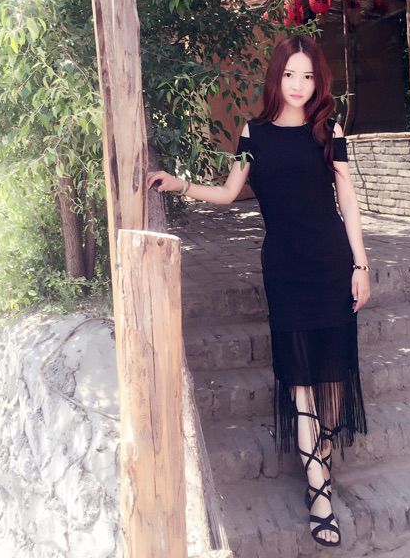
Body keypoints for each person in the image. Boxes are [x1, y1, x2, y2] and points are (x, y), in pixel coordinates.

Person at [147, 34, 370, 548]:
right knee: (299, 378)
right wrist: (181, 185)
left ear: (318, 82)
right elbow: (230, 192)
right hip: (285, 270)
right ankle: (319, 493)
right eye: (290, 74)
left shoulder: (328, 131)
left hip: (332, 263)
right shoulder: (254, 134)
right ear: (277, 77)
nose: (299, 84)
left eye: (308, 76)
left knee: (332, 376)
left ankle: (323, 458)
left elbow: (349, 201)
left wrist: (361, 264)